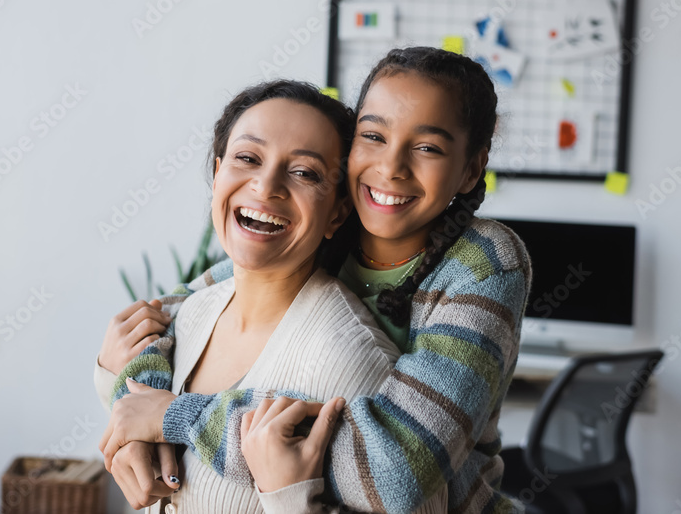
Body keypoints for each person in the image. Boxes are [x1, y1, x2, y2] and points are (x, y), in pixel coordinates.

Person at [100, 47, 532, 514]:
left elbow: (396, 472)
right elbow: (181, 305)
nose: (391, 167)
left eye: (427, 147)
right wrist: (132, 410)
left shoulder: (485, 262)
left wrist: (173, 417)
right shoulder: (333, 229)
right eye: (373, 136)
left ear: (471, 168)